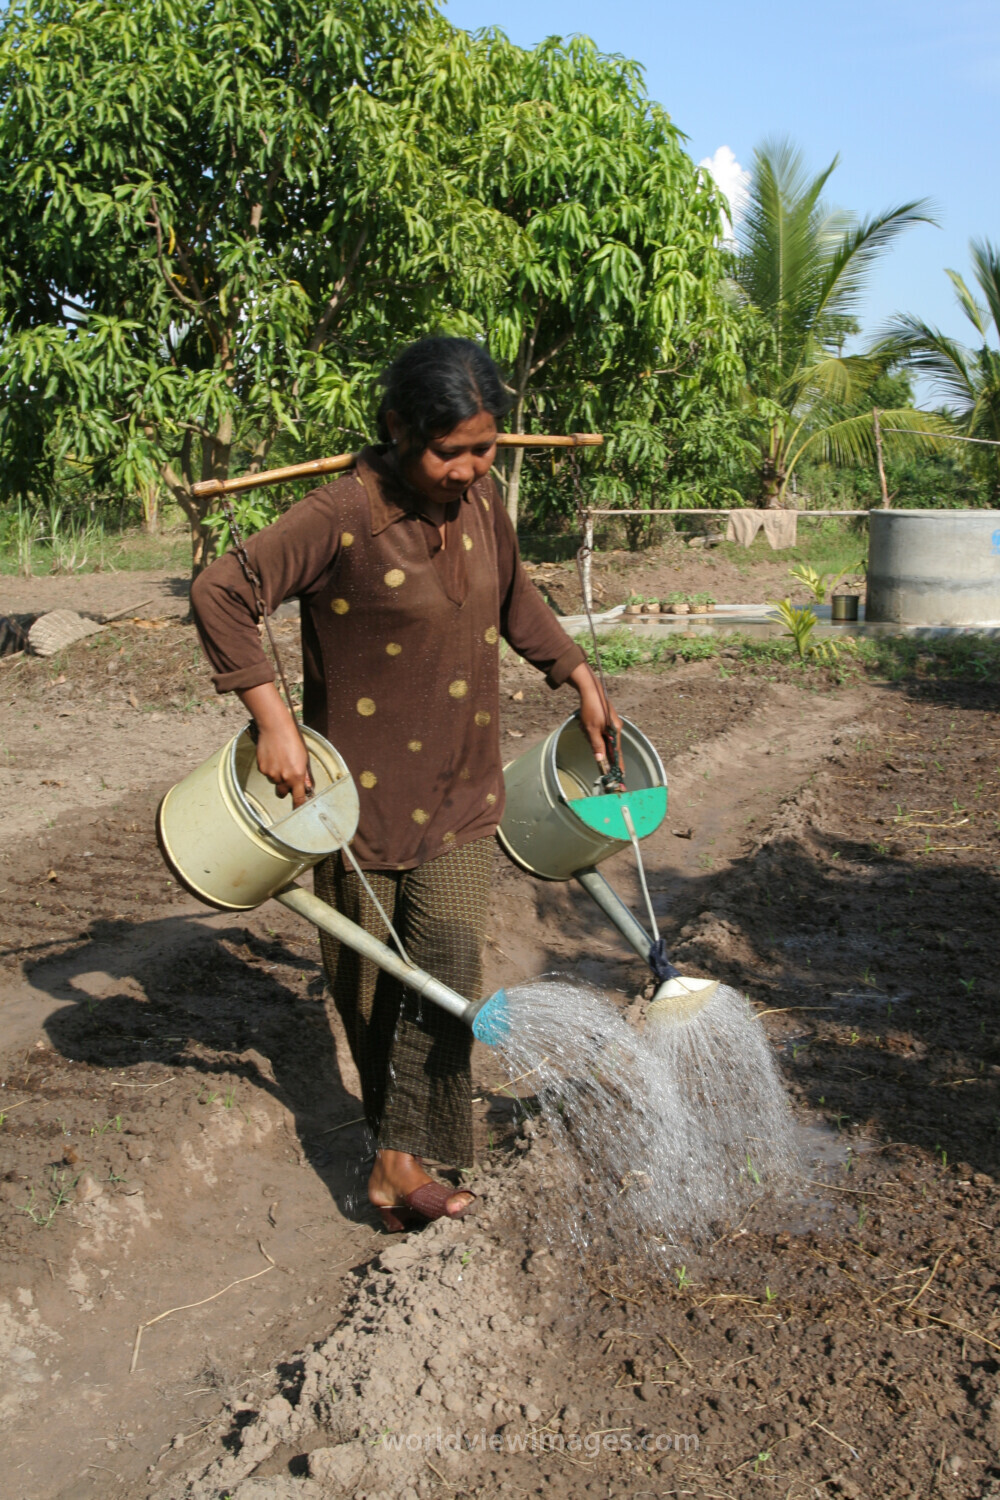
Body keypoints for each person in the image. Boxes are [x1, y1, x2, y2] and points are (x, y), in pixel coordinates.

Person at [190, 336, 619, 1231]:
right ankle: (400, 1159)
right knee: (364, 984)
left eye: (484, 449)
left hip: (462, 785)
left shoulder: (483, 500)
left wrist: (575, 675)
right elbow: (222, 594)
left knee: (449, 959)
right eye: (448, 451)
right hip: (355, 802)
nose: (469, 470)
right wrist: (274, 721)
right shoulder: (340, 513)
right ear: (396, 429)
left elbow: (513, 600)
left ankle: (397, 1160)